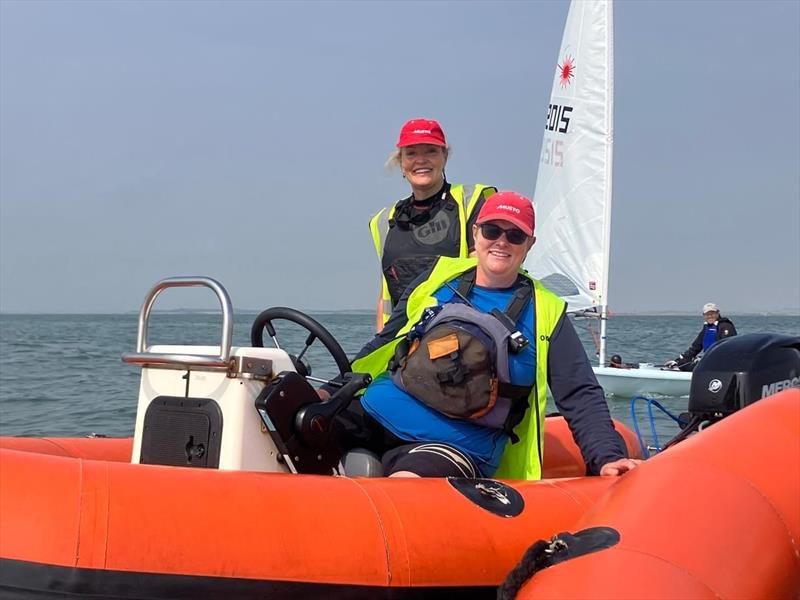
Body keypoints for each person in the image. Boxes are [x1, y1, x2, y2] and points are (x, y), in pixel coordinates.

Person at [328, 191, 640, 480]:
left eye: (515, 235)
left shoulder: (546, 310)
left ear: (529, 245)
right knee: (296, 424)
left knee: (406, 485)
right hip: (374, 411)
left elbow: (579, 393)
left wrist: (607, 456)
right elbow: (385, 343)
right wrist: (332, 391)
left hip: (452, 446)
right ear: (476, 233)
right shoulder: (436, 279)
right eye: (492, 231)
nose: (501, 242)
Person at [369, 118, 496, 330]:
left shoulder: (473, 201)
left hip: (459, 342)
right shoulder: (383, 221)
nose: (421, 160)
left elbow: (489, 282)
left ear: (444, 157)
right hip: (401, 349)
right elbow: (386, 296)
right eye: (411, 153)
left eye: (431, 151)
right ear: (401, 162)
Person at [665, 303, 738, 371]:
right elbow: (695, 348)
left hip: (722, 365)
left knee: (689, 366)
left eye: (712, 313)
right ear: (704, 315)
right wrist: (678, 361)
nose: (710, 316)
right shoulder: (707, 328)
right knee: (683, 365)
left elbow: (726, 350)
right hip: (709, 361)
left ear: (718, 313)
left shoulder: (726, 326)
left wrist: (704, 360)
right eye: (707, 314)